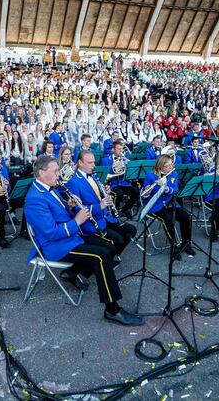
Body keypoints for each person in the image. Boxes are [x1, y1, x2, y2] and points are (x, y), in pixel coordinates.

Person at [25, 155, 143, 326]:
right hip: (57, 246)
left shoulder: (49, 187)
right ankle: (112, 310)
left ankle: (74, 273)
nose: (59, 174)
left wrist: (71, 205)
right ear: (42, 173)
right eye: (55, 171)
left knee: (109, 247)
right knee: (101, 256)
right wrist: (77, 221)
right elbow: (51, 233)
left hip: (70, 237)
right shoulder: (35, 198)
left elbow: (60, 212)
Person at [65, 150, 136, 261]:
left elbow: (96, 195)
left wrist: (104, 193)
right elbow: (78, 209)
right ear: (80, 163)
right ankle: (100, 262)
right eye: (90, 163)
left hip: (104, 217)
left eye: (94, 162)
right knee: (119, 240)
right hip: (91, 222)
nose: (94, 165)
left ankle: (107, 259)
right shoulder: (73, 182)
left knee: (131, 231)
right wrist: (100, 206)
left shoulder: (92, 175)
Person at [140, 154, 192, 259]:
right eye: (167, 166)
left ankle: (186, 244)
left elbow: (175, 190)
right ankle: (174, 247)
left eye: (171, 165)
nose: (171, 168)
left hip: (170, 202)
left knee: (186, 217)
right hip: (155, 205)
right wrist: (147, 191)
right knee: (168, 220)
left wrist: (165, 187)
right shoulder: (151, 176)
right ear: (160, 166)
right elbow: (145, 195)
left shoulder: (173, 174)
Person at [101, 140, 138, 217]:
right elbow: (104, 174)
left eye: (122, 149)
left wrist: (127, 166)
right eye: (119, 149)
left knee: (136, 192)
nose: (121, 151)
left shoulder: (124, 159)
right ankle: (115, 211)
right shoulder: (105, 160)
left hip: (124, 183)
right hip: (112, 184)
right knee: (119, 193)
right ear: (113, 149)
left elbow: (129, 173)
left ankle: (125, 209)